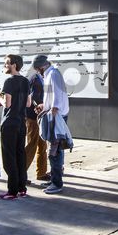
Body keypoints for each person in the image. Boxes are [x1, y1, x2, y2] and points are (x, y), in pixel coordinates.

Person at [0, 54, 31, 200]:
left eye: (7, 63)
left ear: (14, 65)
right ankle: (22, 188)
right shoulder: (26, 81)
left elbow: (7, 104)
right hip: (21, 122)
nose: (5, 66)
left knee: (9, 157)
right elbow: (28, 104)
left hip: (9, 123)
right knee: (20, 155)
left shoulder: (9, 82)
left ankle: (12, 191)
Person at [33, 55, 69, 195]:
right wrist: (44, 106)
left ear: (41, 67)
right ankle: (55, 178)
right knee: (56, 149)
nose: (37, 72)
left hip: (56, 117)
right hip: (56, 114)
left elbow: (57, 95)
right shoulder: (51, 73)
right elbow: (53, 96)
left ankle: (56, 183)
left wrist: (53, 111)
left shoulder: (52, 74)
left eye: (37, 69)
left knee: (54, 151)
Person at [25, 69, 48, 181]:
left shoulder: (35, 77)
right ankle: (21, 173)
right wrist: (39, 106)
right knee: (32, 145)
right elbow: (33, 97)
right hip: (33, 117)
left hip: (38, 116)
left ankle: (42, 173)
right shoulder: (35, 78)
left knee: (42, 144)